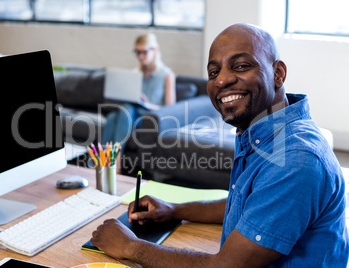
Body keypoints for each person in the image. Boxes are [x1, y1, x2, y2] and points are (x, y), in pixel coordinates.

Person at [91, 23, 349, 267]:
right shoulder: (260, 129)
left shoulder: (295, 158)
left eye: (240, 66)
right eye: (214, 72)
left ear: (278, 74)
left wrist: (131, 247)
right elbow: (250, 203)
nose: (222, 80)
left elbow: (227, 265)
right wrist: (173, 210)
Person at [101, 33, 176, 166]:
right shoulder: (135, 73)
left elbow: (171, 109)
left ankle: (116, 159)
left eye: (144, 52)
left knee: (126, 109)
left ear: (155, 50)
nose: (140, 56)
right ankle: (102, 159)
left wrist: (147, 104)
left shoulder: (167, 75)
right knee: (113, 116)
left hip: (149, 117)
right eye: (137, 52)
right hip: (132, 114)